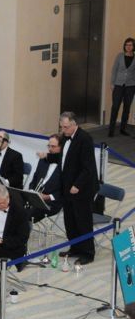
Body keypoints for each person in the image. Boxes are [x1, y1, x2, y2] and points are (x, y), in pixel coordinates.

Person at [55, 111, 99, 265]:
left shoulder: (85, 139)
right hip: (68, 188)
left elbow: (88, 168)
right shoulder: (66, 138)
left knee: (83, 221)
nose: (63, 130)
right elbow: (65, 160)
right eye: (62, 127)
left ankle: (88, 252)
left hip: (81, 189)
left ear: (74, 124)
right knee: (70, 220)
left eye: (66, 127)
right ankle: (75, 247)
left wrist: (77, 185)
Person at [28, 134, 63, 222]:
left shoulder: (66, 165)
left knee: (26, 214)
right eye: (49, 146)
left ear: (61, 147)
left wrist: (48, 197)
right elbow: (35, 178)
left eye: (53, 146)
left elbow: (64, 190)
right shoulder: (44, 159)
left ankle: (21, 233)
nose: (50, 149)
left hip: (53, 202)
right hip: (37, 197)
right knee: (14, 205)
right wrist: (32, 191)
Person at [108, 37, 135, 137]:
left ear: (133, 46)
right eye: (126, 45)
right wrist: (112, 83)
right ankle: (111, 130)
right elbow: (114, 69)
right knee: (115, 107)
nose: (128, 47)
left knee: (126, 108)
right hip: (118, 85)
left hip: (130, 86)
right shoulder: (119, 56)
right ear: (124, 46)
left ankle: (123, 129)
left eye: (130, 45)